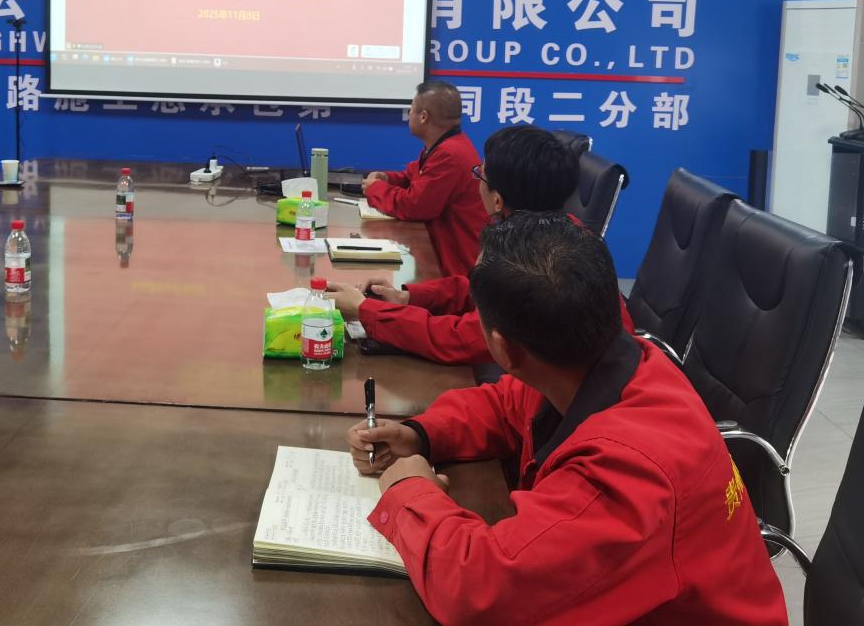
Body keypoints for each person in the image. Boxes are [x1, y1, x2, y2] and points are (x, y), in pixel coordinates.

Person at [347, 213, 787, 625]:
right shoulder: (605, 364)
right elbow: (505, 405)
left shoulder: (626, 476)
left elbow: (477, 588)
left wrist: (408, 490)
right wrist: (420, 434)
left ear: (502, 348)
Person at [330, 125, 631, 364]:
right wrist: (407, 297)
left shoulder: (538, 265)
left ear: (497, 200)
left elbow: (461, 340)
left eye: (480, 176)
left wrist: (366, 310)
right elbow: (479, 286)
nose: (476, 182)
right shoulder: (560, 231)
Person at [362, 81, 487, 276]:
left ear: (423, 117)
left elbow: (415, 206)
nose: (409, 114)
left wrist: (375, 189)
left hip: (457, 266)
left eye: (411, 109)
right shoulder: (445, 146)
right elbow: (416, 177)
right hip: (442, 252)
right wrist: (387, 179)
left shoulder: (449, 155)